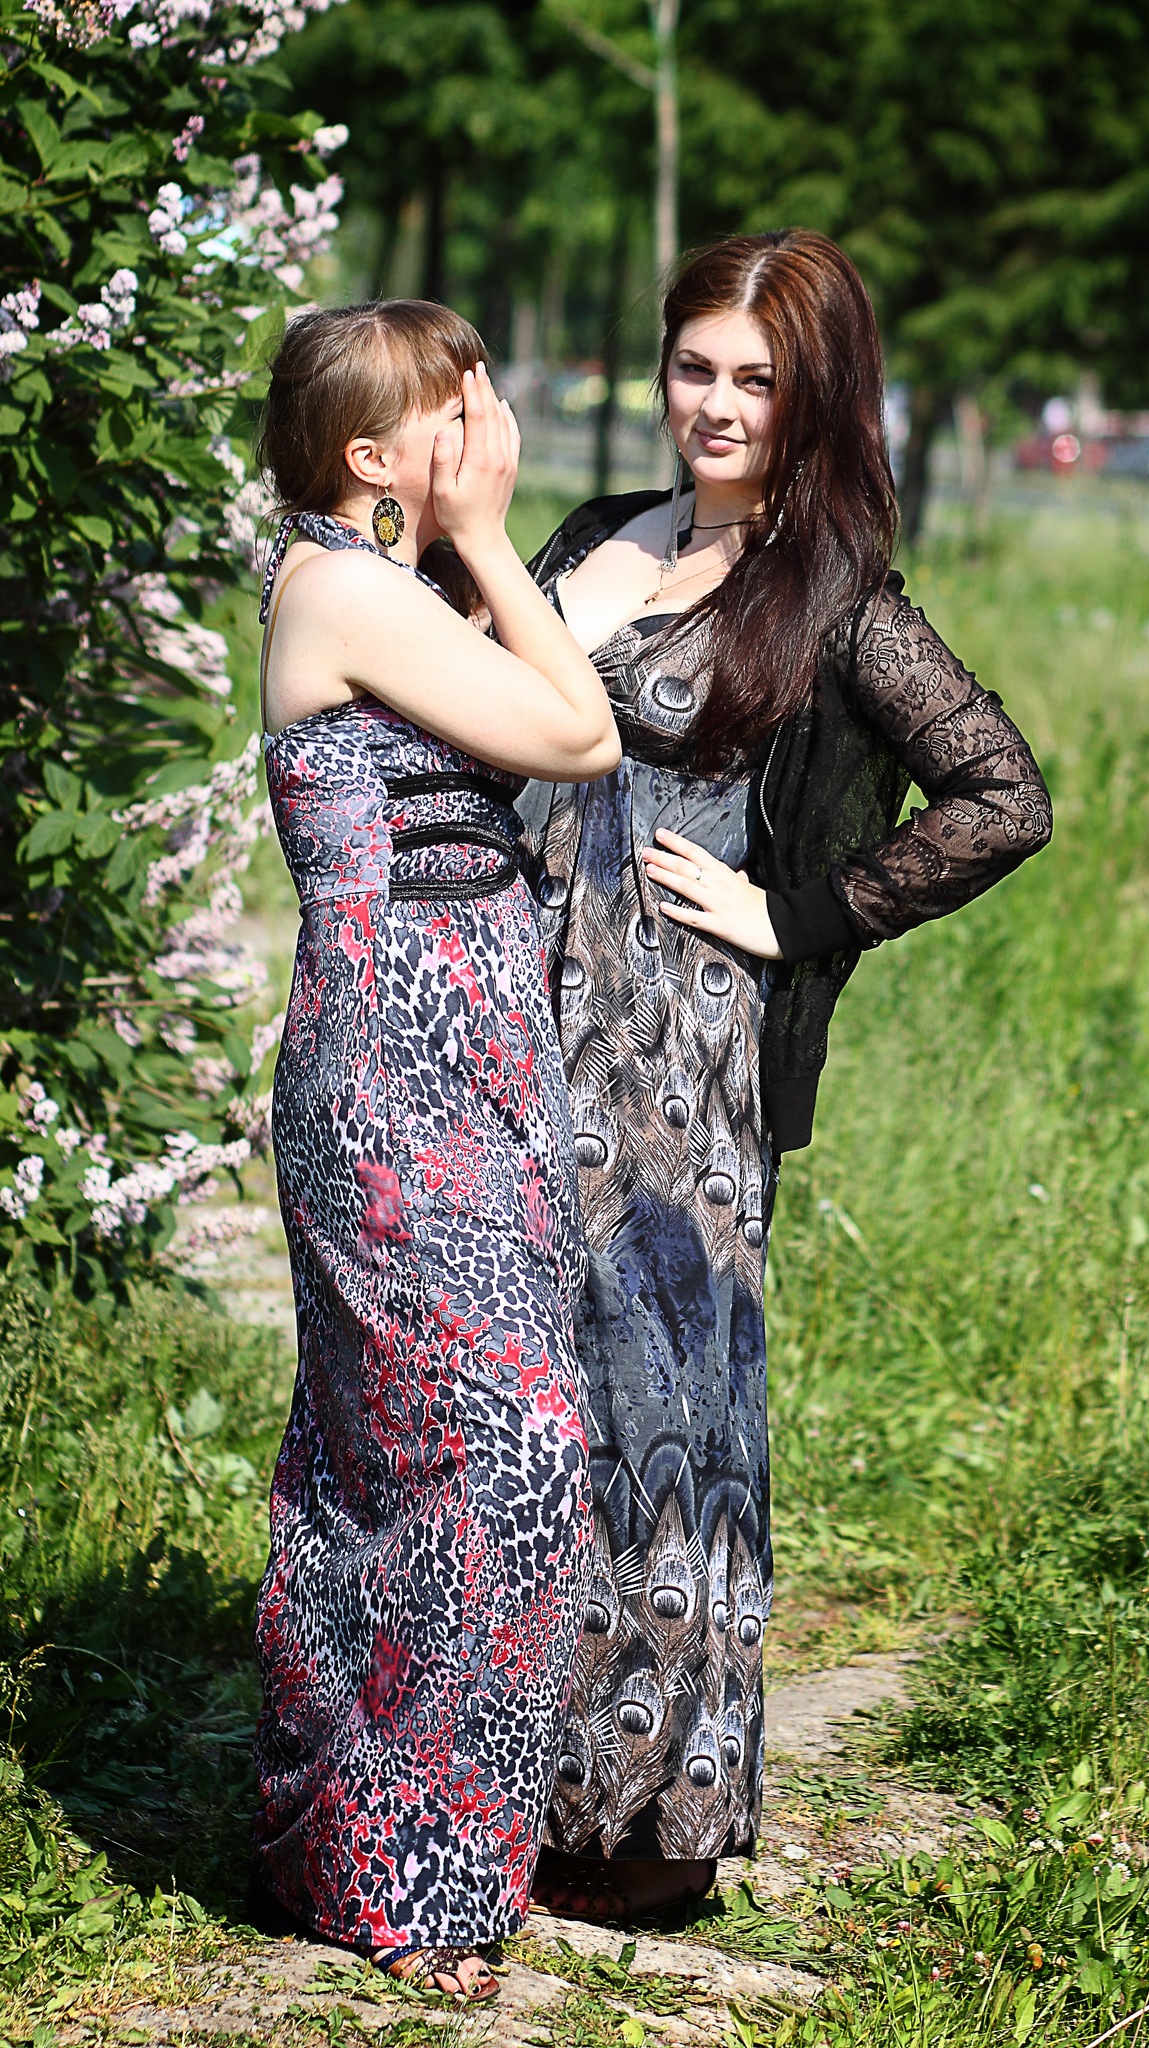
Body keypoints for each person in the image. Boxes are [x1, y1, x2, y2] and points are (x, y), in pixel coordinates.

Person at [519, 231, 1052, 1920]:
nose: (717, 404)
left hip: (673, 1054)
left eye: (756, 379)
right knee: (516, 1395)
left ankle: (639, 1826)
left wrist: (792, 912)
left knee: (651, 1413)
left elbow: (1001, 797)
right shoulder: (596, 535)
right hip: (511, 1013)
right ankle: (498, 1776)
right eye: (695, 366)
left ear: (813, 396)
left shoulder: (829, 594)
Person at [250, 300, 620, 1999]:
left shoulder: (394, 592)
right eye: (453, 407)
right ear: (370, 455)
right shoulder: (338, 587)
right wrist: (484, 536)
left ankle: (371, 1852)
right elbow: (577, 735)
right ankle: (403, 1868)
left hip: (479, 1069)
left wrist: (469, 552)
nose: (487, 424)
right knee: (500, 1453)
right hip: (390, 1083)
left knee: (405, 1463)